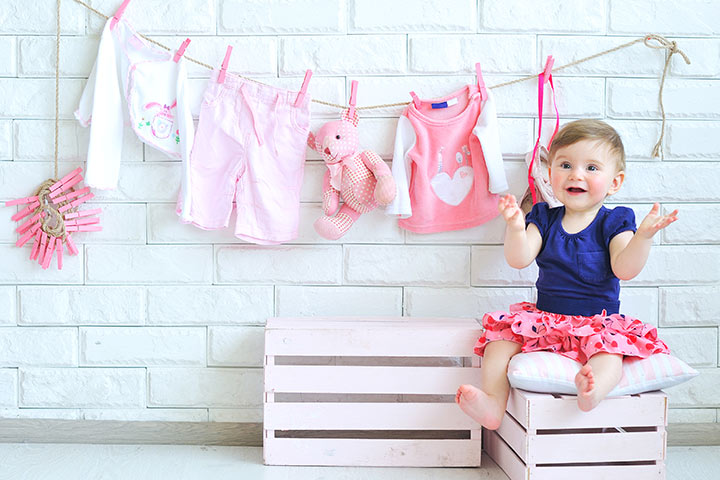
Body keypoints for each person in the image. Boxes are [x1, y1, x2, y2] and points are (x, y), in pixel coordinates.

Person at [456, 119, 677, 428]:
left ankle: (593, 389)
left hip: (597, 322)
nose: (576, 174)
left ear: (615, 182)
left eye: (592, 168)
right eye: (565, 165)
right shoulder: (543, 218)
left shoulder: (614, 222)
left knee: (609, 356)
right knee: (497, 343)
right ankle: (493, 405)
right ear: (551, 174)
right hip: (547, 318)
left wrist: (643, 238)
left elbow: (624, 268)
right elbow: (519, 258)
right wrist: (516, 228)